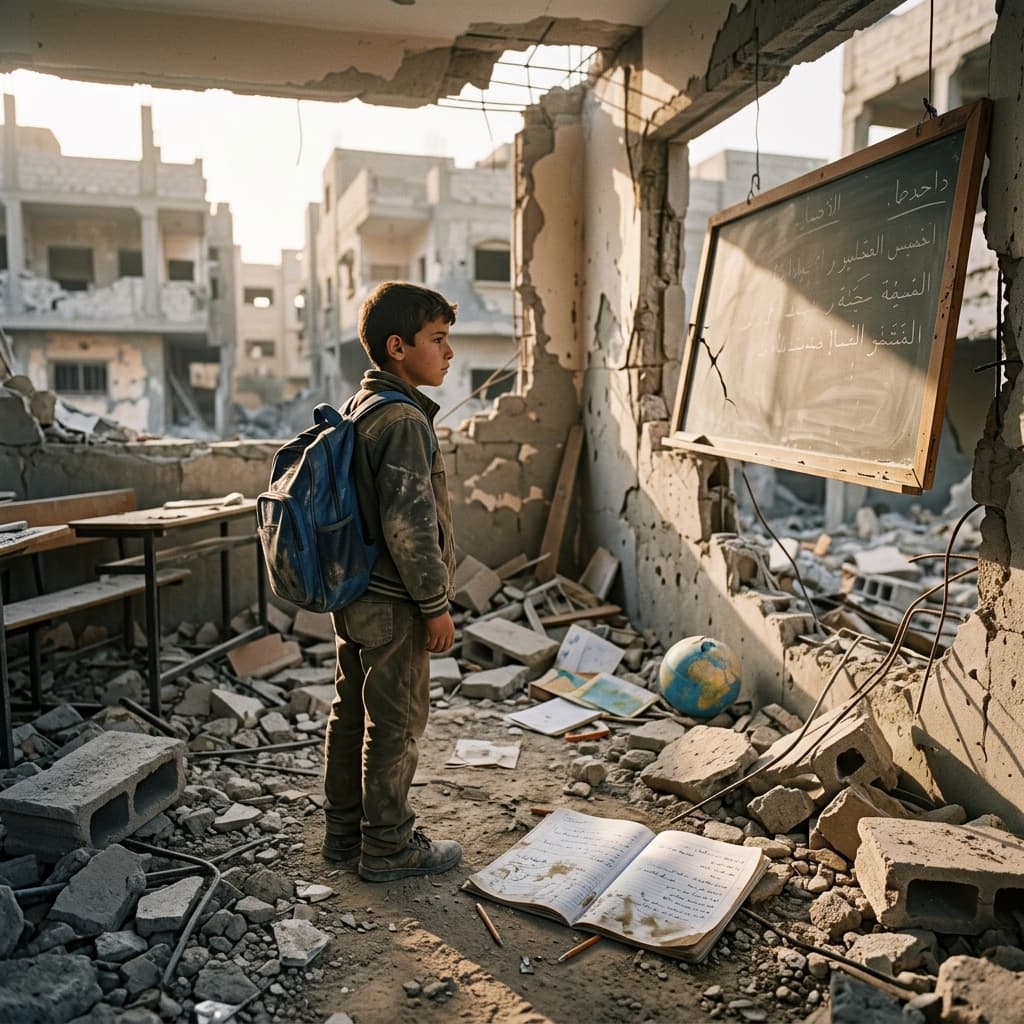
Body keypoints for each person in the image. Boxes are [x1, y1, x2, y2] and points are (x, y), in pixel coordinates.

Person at [321, 281, 461, 882]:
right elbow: (410, 527)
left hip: (354, 596)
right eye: (438, 339)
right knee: (396, 724)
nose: (449, 352)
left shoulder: (362, 407)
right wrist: (435, 606)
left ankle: (342, 836)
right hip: (394, 601)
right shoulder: (402, 419)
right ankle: (388, 847)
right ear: (398, 346)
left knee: (349, 713)